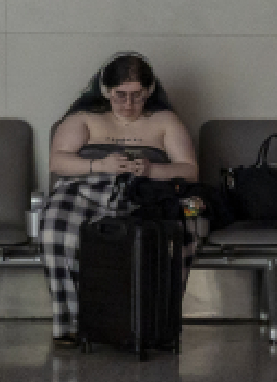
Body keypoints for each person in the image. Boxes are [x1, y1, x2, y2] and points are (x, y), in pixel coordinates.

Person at [39, 52, 199, 345]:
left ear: (149, 91)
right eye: (120, 96)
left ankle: (157, 322)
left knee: (184, 226)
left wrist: (153, 169)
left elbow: (189, 170)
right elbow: (58, 163)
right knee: (54, 226)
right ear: (106, 91)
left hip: (145, 191)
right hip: (86, 189)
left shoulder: (165, 121)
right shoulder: (84, 118)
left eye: (137, 96)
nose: (128, 104)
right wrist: (100, 165)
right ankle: (71, 323)